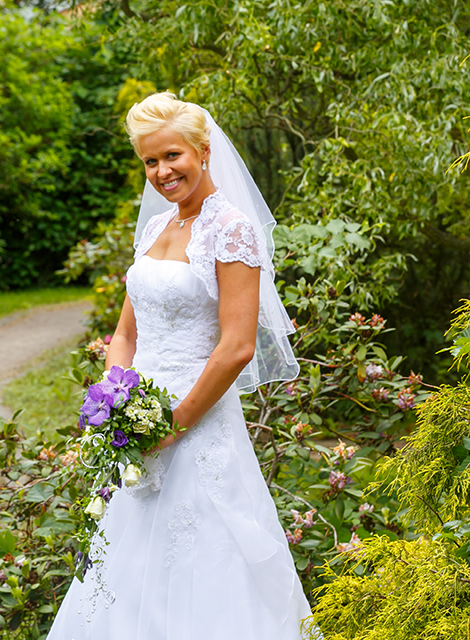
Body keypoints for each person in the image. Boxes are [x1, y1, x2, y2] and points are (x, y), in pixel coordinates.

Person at [46, 92, 315, 639]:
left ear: (203, 150)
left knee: (205, 557)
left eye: (173, 156)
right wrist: (112, 403)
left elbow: (237, 346)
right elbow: (125, 331)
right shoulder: (155, 230)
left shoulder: (231, 229)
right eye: (150, 161)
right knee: (127, 559)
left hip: (196, 422)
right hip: (135, 426)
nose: (162, 171)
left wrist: (173, 424)